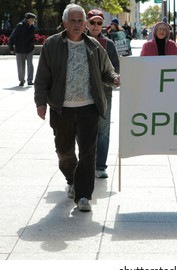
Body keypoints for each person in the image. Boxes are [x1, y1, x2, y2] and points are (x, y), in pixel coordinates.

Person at [34, 4, 120, 212]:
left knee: (88, 152)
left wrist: (115, 79)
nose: (77, 24)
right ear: (64, 23)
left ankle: (83, 195)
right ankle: (72, 179)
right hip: (61, 108)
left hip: (88, 107)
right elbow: (43, 76)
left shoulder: (94, 46)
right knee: (64, 151)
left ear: (85, 24)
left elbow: (106, 72)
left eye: (80, 21)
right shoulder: (52, 44)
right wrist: (40, 102)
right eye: (72, 21)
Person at [86, 9, 120, 179]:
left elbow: (115, 68)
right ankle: (86, 163)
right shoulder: (77, 42)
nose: (96, 26)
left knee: (103, 131)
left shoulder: (108, 45)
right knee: (83, 131)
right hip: (82, 94)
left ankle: (100, 165)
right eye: (92, 22)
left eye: (99, 23)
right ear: (87, 23)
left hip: (104, 94)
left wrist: (112, 79)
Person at [8, 12, 37, 86]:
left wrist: (32, 43)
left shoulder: (32, 27)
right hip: (20, 49)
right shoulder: (20, 26)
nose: (34, 21)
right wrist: (11, 48)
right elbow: (12, 37)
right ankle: (21, 80)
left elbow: (33, 37)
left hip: (29, 49)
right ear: (28, 19)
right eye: (32, 19)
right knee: (21, 66)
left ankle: (30, 80)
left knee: (30, 64)